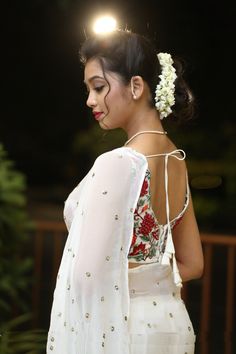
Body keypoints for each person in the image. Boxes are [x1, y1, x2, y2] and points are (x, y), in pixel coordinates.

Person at [47, 29, 204, 354]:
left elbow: (86, 277)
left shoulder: (120, 162)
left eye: (99, 87)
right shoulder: (176, 161)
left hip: (121, 330)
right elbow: (193, 264)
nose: (90, 100)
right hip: (171, 326)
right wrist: (151, 283)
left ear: (136, 86)